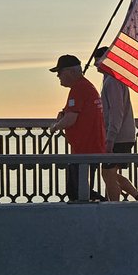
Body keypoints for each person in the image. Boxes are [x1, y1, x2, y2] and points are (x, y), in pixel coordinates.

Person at [48, 54, 106, 201]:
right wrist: (63, 113)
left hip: (85, 149)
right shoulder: (85, 87)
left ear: (70, 72)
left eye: (59, 73)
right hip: (89, 147)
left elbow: (70, 119)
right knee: (80, 189)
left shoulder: (79, 88)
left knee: (77, 192)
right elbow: (72, 112)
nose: (58, 77)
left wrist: (55, 127)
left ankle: (101, 207)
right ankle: (101, 205)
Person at [93, 47, 138, 201]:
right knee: (110, 173)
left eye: (98, 60)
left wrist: (110, 138)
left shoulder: (112, 82)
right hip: (123, 136)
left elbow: (116, 112)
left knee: (108, 174)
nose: (95, 63)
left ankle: (114, 207)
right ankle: (137, 196)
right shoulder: (111, 79)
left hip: (119, 137)